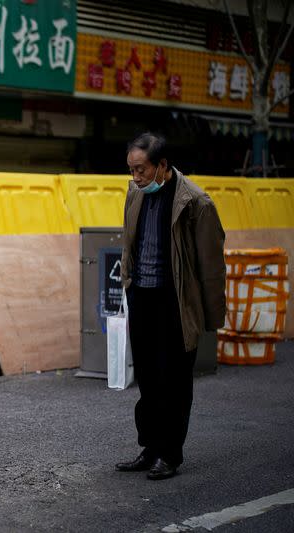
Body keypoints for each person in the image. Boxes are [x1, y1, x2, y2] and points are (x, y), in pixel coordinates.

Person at [116, 132, 225, 480]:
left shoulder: (195, 202)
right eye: (131, 170)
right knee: (147, 377)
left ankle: (170, 454)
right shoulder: (135, 194)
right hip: (143, 297)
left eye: (142, 170)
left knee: (174, 381)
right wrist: (129, 284)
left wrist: (211, 318)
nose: (136, 178)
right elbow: (130, 241)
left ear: (162, 165)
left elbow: (211, 265)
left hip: (177, 301)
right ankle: (149, 448)